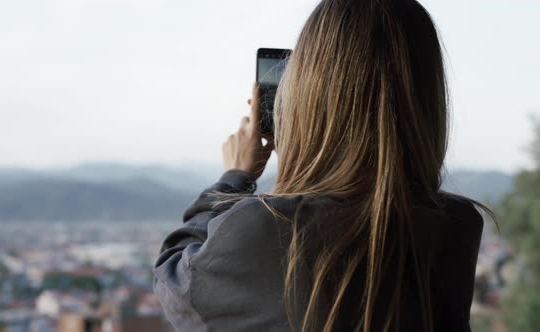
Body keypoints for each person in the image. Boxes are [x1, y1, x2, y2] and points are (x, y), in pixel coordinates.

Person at [153, 0, 489, 331]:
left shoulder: (266, 228)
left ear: (304, 97)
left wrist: (233, 178)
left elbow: (174, 280)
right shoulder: (456, 228)